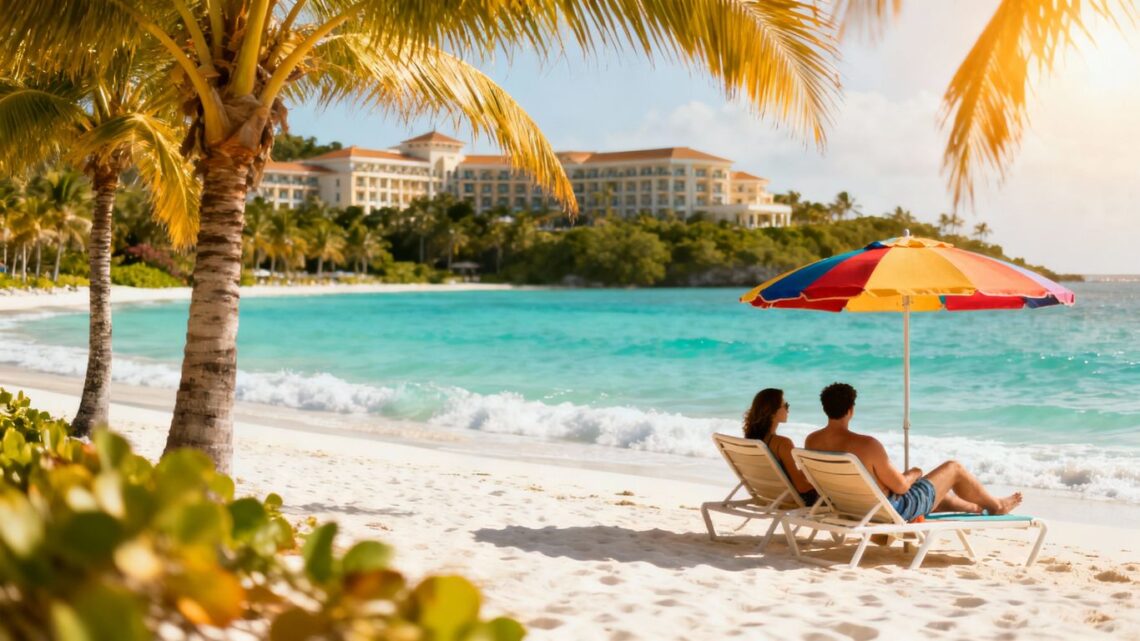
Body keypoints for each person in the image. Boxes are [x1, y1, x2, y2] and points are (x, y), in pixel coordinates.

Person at [804, 383, 1021, 522]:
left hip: (848, 506)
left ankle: (976, 507)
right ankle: (997, 506)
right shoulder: (867, 445)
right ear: (851, 410)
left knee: (933, 490)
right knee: (953, 468)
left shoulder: (812, 440)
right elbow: (900, 486)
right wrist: (914, 473)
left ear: (825, 408)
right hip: (888, 511)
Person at [743, 388, 819, 506]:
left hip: (767, 495)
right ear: (772, 412)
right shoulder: (782, 444)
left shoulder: (751, 440)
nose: (788, 410)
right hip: (790, 500)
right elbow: (802, 487)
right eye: (786, 406)